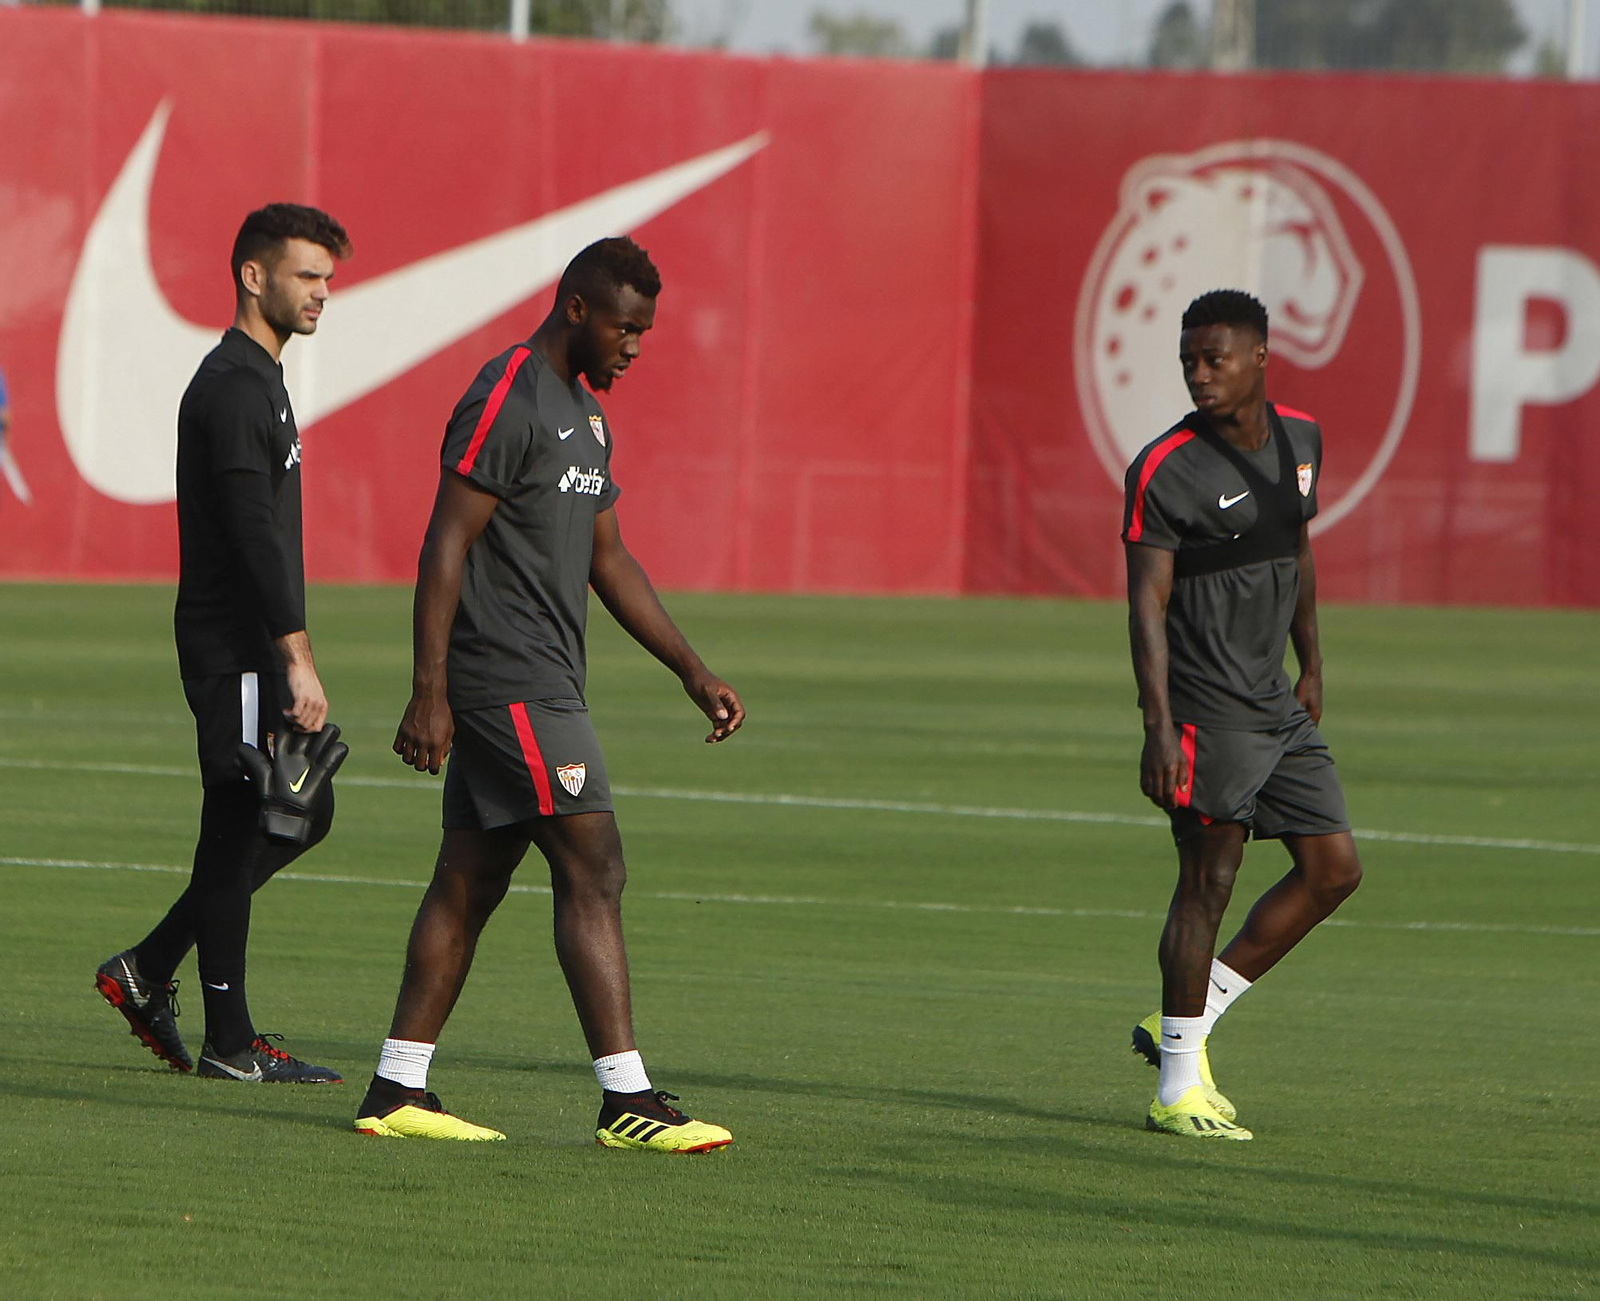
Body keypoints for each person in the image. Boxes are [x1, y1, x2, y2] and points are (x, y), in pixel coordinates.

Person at [353, 236, 744, 1150]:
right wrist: (429, 691)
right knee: (594, 865)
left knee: (470, 879)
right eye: (626, 326)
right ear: (578, 308)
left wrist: (692, 669)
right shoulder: (506, 393)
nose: (636, 346)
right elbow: (444, 542)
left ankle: (395, 1087)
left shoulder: (587, 417)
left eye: (645, 330)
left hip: (543, 680)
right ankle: (627, 1098)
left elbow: (610, 558)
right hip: (510, 683)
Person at [95, 204, 353, 1084]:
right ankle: (229, 1040)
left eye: (327, 277)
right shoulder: (236, 386)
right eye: (306, 275)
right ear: (253, 275)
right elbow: (251, 534)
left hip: (246, 644)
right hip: (238, 645)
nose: (323, 292)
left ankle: (151, 969)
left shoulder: (259, 378)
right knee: (253, 817)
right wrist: (296, 655)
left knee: (293, 812)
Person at [1121, 289, 1363, 1141]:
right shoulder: (1164, 469)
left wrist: (1313, 663)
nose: (1198, 375)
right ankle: (1176, 1088)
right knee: (1207, 883)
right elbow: (1145, 607)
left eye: (1214, 358)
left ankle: (1186, 1021)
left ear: (1260, 356)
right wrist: (1159, 727)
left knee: (1334, 869)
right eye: (1188, 360)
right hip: (1206, 712)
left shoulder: (1304, 440)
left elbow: (1297, 550)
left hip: (1276, 701)